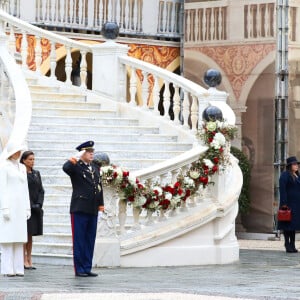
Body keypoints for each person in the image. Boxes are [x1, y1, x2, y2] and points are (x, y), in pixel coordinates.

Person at [62, 141, 104, 277]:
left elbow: (99, 187)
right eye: (88, 151)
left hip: (92, 208)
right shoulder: (76, 166)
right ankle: (79, 269)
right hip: (79, 208)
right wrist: (76, 156)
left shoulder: (95, 167)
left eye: (92, 151)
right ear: (82, 153)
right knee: (79, 240)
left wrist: (101, 206)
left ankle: (87, 267)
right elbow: (65, 168)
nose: (92, 153)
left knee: (90, 239)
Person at [0, 143, 31, 277]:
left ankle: (19, 268)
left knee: (19, 238)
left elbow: (25, 189)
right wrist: (4, 207)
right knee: (8, 238)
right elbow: (2, 188)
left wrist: (27, 207)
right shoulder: (4, 166)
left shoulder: (23, 168)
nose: (18, 153)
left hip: (20, 206)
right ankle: (7, 269)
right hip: (9, 205)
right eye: (16, 150)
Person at [20, 150, 44, 270]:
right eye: (30, 159)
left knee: (31, 235)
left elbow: (41, 190)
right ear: (23, 160)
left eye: (33, 159)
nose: (32, 161)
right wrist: (30, 205)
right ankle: (23, 259)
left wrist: (39, 203)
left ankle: (29, 257)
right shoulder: (21, 173)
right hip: (26, 208)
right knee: (25, 234)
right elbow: (22, 192)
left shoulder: (36, 173)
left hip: (36, 209)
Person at [278, 156, 300, 253]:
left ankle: (293, 244)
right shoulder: (285, 175)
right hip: (288, 204)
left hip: (296, 205)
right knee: (287, 225)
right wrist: (284, 203)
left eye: (297, 164)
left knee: (293, 226)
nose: (297, 166)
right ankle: (287, 244)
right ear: (290, 165)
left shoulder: (297, 175)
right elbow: (282, 190)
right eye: (295, 164)